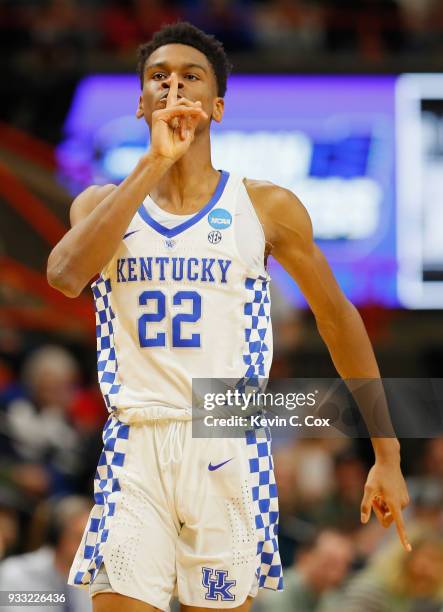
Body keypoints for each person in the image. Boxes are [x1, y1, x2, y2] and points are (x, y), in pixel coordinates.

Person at [47, 21, 410, 612]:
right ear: (141, 103)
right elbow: (63, 276)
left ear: (216, 105)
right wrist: (154, 164)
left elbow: (339, 321)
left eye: (190, 77)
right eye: (157, 78)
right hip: (137, 440)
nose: (173, 88)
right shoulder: (101, 204)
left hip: (227, 439)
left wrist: (387, 453)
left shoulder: (265, 206)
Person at [255, 529, 354, 612]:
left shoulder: (329, 597)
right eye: (329, 564)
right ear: (305, 556)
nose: (336, 575)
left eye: (343, 566)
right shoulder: (276, 593)